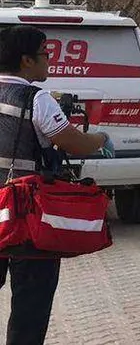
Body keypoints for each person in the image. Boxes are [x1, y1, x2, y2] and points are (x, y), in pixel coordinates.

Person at [0, 26, 114, 344]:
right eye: (45, 55)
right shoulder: (38, 100)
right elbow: (75, 143)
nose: (49, 61)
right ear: (26, 61)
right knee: (30, 303)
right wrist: (101, 139)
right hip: (26, 215)